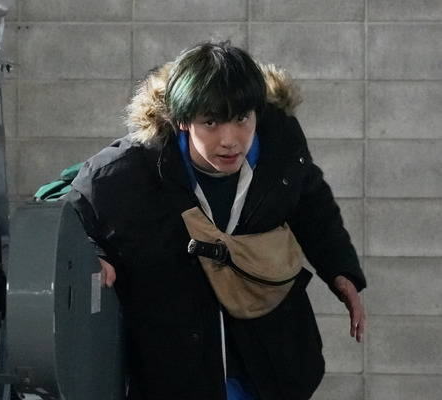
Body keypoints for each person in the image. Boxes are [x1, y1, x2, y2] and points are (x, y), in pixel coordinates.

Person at [66, 40, 366, 400]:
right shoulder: (123, 173)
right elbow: (70, 221)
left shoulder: (280, 143)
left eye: (242, 119)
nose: (230, 140)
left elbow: (311, 202)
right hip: (176, 369)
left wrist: (340, 269)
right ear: (181, 120)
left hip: (269, 361)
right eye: (210, 122)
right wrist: (92, 253)